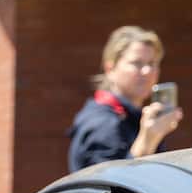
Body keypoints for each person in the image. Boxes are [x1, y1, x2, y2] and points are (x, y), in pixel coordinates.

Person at [68, 25, 183, 172]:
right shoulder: (103, 123)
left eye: (152, 63)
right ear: (110, 69)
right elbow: (107, 183)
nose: (147, 71)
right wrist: (147, 141)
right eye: (137, 63)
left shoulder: (132, 116)